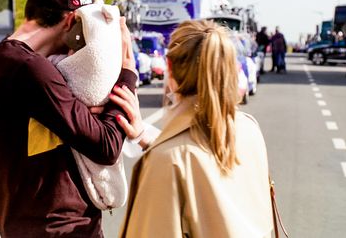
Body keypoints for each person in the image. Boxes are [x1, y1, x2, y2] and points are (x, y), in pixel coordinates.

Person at [0, 0, 140, 237]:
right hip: (62, 231)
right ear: (72, 20)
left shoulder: (2, 60)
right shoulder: (31, 70)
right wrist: (127, 74)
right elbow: (106, 146)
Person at [113, 20, 274, 237]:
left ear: (169, 68)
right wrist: (144, 136)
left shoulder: (168, 160)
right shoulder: (248, 128)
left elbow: (187, 160)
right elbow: (204, 167)